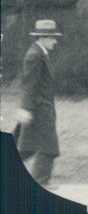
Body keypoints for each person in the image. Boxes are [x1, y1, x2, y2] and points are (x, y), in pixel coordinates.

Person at [14, 19, 63, 188]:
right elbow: (29, 83)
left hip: (40, 108)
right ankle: (40, 182)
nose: (55, 41)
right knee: (49, 147)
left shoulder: (40, 53)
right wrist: (25, 109)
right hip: (39, 108)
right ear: (43, 37)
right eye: (52, 38)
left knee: (27, 147)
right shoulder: (35, 55)